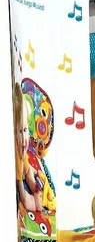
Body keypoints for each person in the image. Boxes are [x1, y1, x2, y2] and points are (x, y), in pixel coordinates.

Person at [13, 82, 42, 213]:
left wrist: (35, 187)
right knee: (34, 206)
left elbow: (28, 169)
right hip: (20, 176)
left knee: (32, 177)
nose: (25, 137)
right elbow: (22, 192)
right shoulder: (16, 158)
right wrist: (32, 200)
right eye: (20, 131)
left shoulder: (23, 149)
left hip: (25, 169)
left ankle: (36, 191)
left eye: (25, 129)